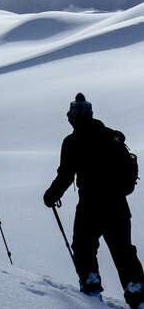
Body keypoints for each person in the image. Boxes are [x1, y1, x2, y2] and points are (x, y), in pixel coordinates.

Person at [44, 93, 144, 309]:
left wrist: (52, 194)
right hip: (117, 205)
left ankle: (91, 288)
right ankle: (137, 294)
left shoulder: (72, 142)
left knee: (83, 248)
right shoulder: (110, 136)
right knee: (123, 251)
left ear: (72, 117)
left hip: (90, 206)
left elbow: (66, 174)